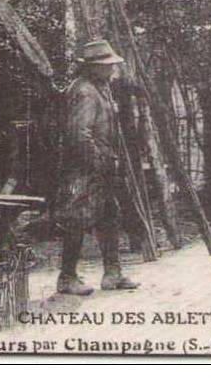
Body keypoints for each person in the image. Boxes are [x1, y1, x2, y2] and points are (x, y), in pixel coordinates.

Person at [56, 39, 140, 296]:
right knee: (77, 219)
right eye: (106, 65)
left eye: (111, 64)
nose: (112, 69)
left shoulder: (101, 88)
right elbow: (79, 134)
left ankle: (112, 274)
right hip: (85, 167)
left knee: (109, 217)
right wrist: (97, 161)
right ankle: (67, 278)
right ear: (91, 67)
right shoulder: (84, 91)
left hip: (103, 164)